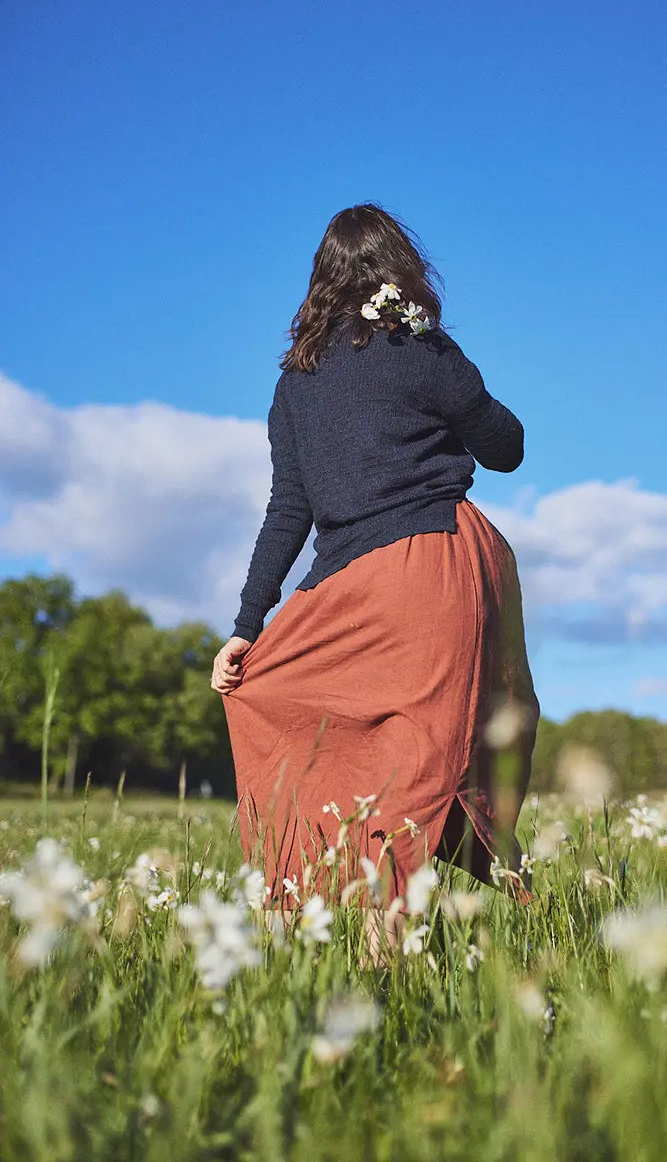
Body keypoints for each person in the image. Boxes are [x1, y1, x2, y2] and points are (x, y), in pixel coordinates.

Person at [211, 203, 540, 962]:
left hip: (380, 573)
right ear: (401, 271)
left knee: (394, 755)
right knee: (423, 755)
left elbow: (287, 508)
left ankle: (375, 948)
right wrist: (440, 351)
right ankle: (370, 936)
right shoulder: (419, 351)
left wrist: (246, 625)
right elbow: (509, 449)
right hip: (430, 570)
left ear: (321, 282)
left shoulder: (296, 383)